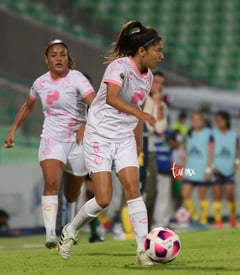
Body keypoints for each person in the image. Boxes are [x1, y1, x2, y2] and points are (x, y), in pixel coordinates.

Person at [57, 20, 163, 266]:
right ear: (142, 51)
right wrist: (140, 114)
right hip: (99, 137)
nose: (162, 56)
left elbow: (136, 110)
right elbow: (113, 99)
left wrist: (137, 144)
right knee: (103, 199)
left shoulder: (149, 77)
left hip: (124, 138)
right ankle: (70, 231)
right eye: (158, 50)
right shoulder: (119, 67)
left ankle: (142, 251)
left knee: (134, 190)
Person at [4, 39, 95, 249]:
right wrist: (12, 129)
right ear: (47, 60)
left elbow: (96, 103)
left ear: (67, 58)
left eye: (62, 54)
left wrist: (86, 125)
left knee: (72, 194)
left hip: (78, 142)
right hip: (52, 139)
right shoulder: (40, 83)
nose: (58, 58)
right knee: (51, 182)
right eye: (54, 55)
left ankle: (69, 227)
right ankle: (51, 234)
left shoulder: (77, 78)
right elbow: (28, 106)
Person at [142, 71, 168, 230]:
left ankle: (147, 227)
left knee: (152, 192)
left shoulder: (162, 106)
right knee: (132, 189)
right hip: (137, 149)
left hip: (150, 151)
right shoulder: (142, 101)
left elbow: (159, 128)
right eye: (156, 82)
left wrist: (158, 106)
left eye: (161, 84)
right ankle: (122, 225)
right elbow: (145, 126)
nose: (159, 86)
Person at [182, 112, 214, 230]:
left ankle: (203, 220)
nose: (196, 122)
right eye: (194, 120)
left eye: (199, 120)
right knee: (185, 194)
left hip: (202, 168)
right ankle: (195, 217)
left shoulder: (208, 134)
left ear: (202, 121)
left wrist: (208, 169)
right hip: (190, 168)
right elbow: (186, 152)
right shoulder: (189, 134)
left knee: (202, 196)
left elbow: (211, 152)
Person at [212, 111, 240, 229]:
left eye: (221, 120)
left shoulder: (233, 135)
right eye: (217, 120)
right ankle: (218, 221)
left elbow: (239, 149)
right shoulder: (213, 135)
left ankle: (232, 216)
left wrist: (237, 161)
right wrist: (211, 165)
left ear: (226, 120)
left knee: (230, 193)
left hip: (229, 168)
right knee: (217, 194)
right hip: (216, 168)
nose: (219, 122)